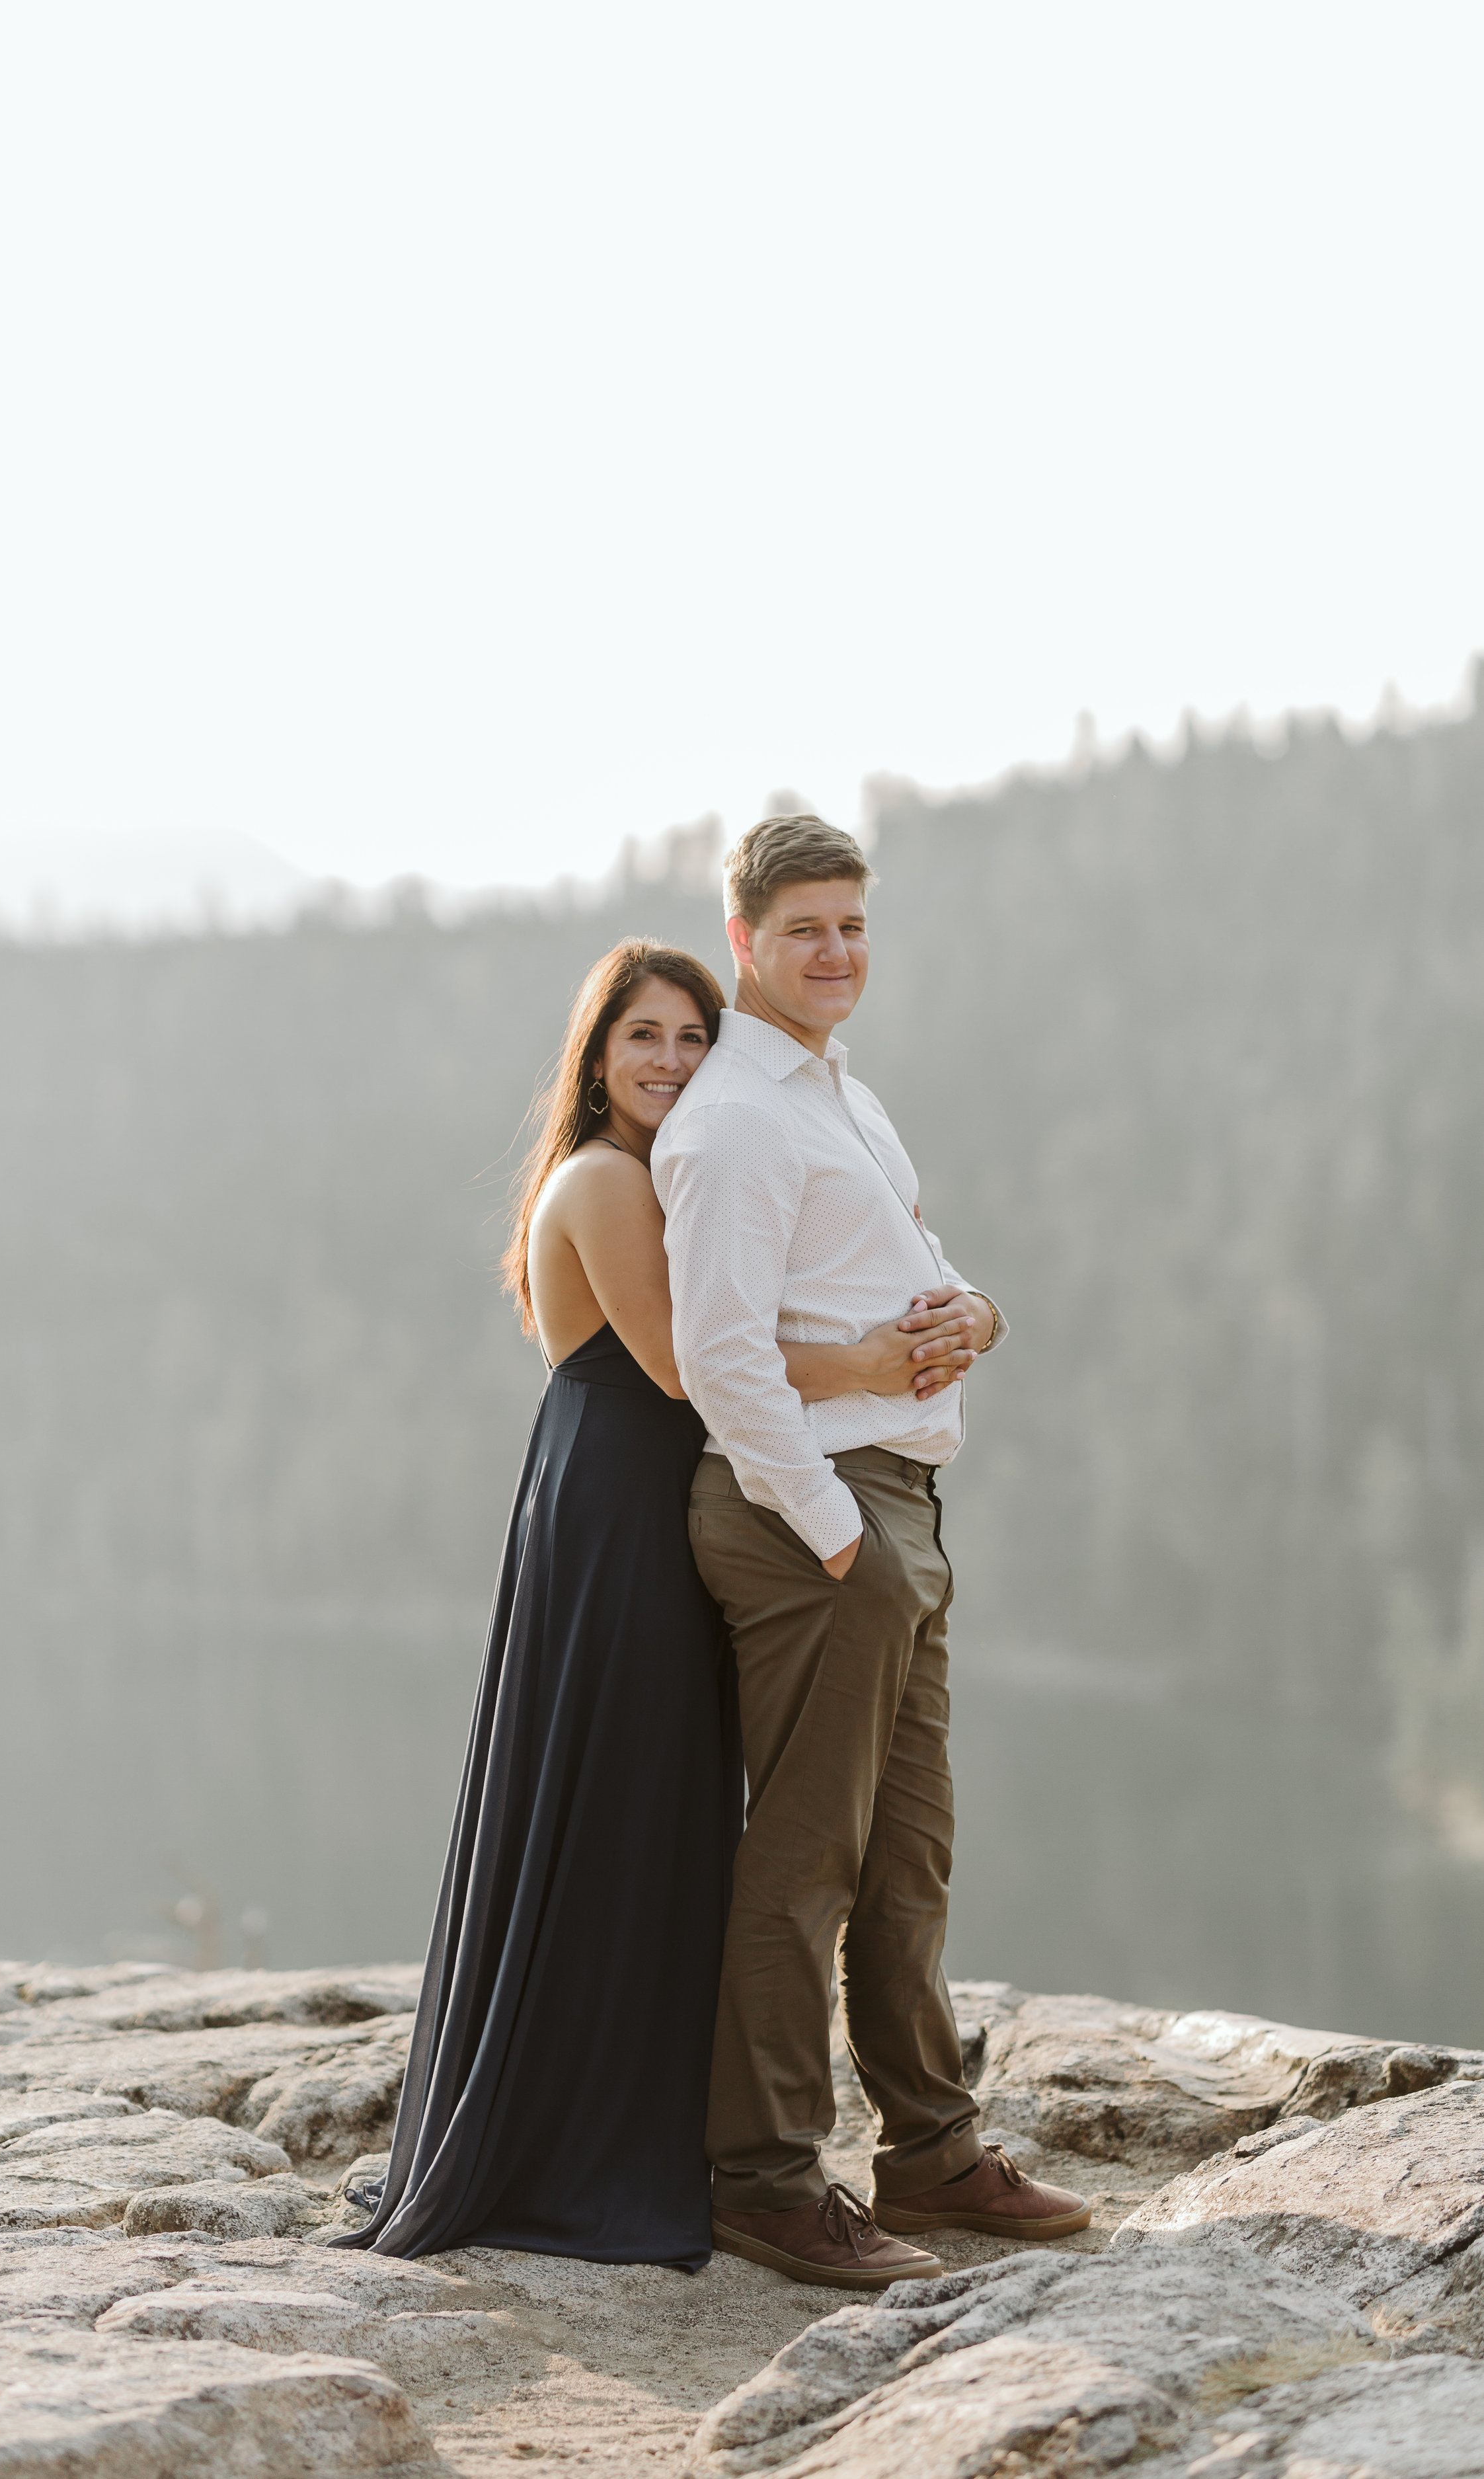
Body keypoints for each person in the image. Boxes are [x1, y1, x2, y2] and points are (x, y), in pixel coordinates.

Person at [333, 937, 958, 2270]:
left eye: (692, 1038)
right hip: (619, 1503)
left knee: (655, 1812)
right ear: (596, 1060)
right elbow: (682, 1363)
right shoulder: (607, 1178)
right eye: (643, 1040)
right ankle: (581, 2141)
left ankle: (640, 2119)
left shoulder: (674, 1169)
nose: (671, 1060)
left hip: (640, 1492)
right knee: (618, 1804)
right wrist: (859, 1357)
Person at [652, 816, 1092, 2291]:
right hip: (809, 1522)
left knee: (906, 1851)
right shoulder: (727, 1123)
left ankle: (930, 2150)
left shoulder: (844, 1098)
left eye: (851, 925)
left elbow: (915, 1263)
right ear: (743, 943)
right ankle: (765, 2182)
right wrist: (843, 1541)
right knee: (803, 1860)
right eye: (803, 932)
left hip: (893, 1512)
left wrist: (978, 1312)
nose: (835, 953)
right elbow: (719, 1361)